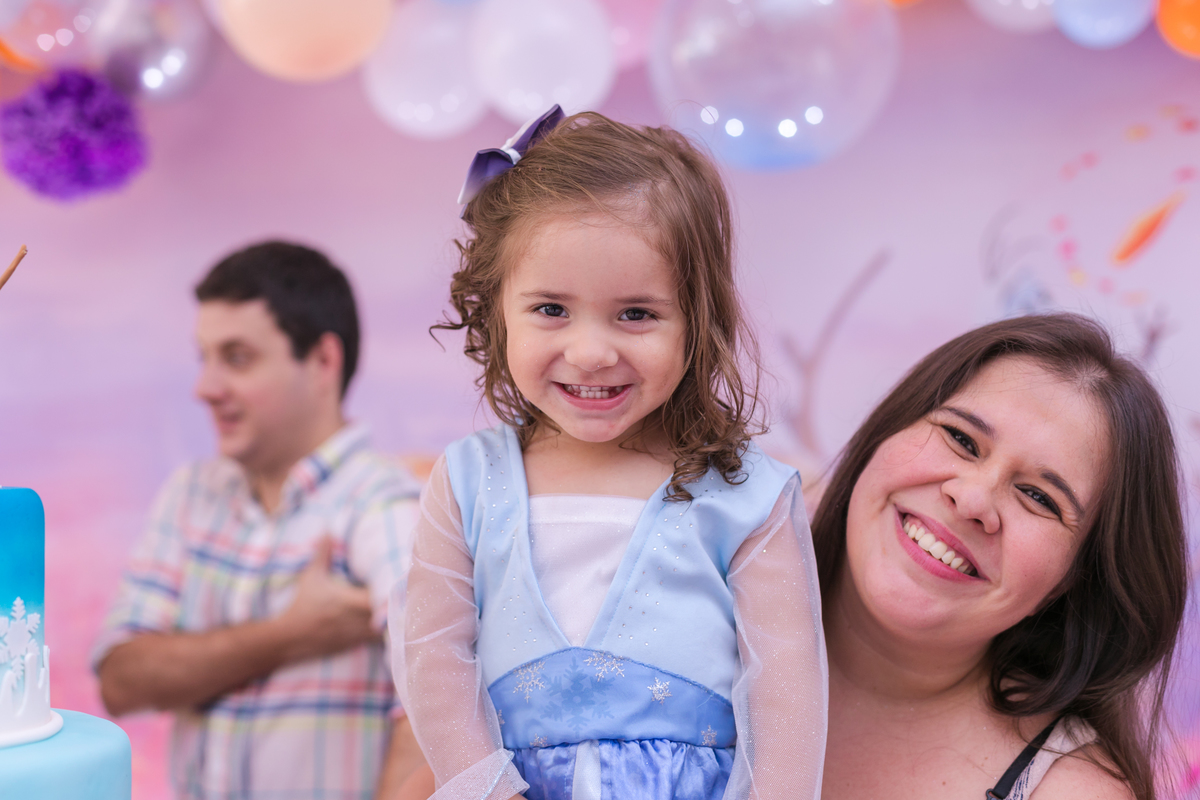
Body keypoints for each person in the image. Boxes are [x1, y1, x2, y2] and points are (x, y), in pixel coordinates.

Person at [391, 108, 828, 800]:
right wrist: (486, 790)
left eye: (636, 313)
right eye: (551, 310)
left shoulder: (748, 495)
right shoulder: (468, 481)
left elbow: (787, 698)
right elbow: (432, 656)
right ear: (497, 309)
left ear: (697, 321)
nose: (592, 352)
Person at [93, 241, 428, 800]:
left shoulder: (384, 501)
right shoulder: (192, 494)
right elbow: (120, 680)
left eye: (237, 357)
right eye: (204, 357)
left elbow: (438, 690)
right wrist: (290, 634)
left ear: (323, 361)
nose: (205, 387)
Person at [813, 313, 1187, 800]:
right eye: (961, 439)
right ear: (888, 430)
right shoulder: (724, 542)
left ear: (1069, 581)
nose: (972, 500)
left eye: (1038, 497)